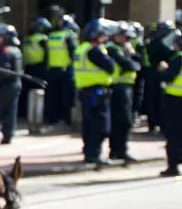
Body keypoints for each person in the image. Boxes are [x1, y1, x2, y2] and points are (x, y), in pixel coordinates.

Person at [74, 19, 119, 165]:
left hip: (84, 90)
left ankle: (89, 153)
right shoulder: (94, 51)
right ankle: (94, 153)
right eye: (103, 35)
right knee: (100, 125)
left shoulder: (81, 49)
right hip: (96, 91)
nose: (105, 38)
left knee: (88, 124)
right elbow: (111, 67)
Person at [106, 22, 142, 163]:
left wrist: (132, 54)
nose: (126, 40)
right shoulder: (112, 49)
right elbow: (128, 65)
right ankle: (117, 151)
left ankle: (121, 150)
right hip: (117, 87)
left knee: (125, 122)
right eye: (124, 36)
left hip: (127, 87)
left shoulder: (126, 49)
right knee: (120, 121)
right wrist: (132, 62)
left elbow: (139, 63)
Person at [0, 25, 23, 145]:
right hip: (15, 84)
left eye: (0, 37)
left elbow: (4, 71)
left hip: (4, 86)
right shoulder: (17, 50)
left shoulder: (6, 51)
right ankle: (8, 135)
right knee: (10, 111)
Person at [45, 15, 79, 127]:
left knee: (52, 96)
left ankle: (52, 118)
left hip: (52, 69)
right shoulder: (69, 35)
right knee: (67, 97)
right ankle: (66, 119)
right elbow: (74, 53)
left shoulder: (51, 35)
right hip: (66, 70)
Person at [144, 20, 175, 134]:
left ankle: (157, 125)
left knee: (158, 100)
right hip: (155, 73)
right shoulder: (156, 43)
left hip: (162, 73)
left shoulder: (163, 42)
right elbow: (168, 53)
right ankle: (155, 125)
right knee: (155, 99)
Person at [158, 29, 182, 176]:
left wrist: (162, 70)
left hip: (175, 100)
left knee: (173, 134)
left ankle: (173, 166)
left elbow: (169, 77)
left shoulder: (178, 58)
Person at [20, 17, 51, 119]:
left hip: (27, 66)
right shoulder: (42, 39)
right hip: (39, 67)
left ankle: (24, 113)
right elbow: (48, 54)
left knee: (27, 91)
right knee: (40, 91)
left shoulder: (27, 38)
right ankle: (39, 115)